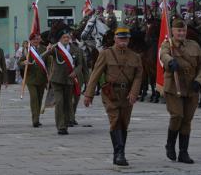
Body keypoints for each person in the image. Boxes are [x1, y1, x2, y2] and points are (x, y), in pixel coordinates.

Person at [84, 24, 143, 166]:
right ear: (115, 39)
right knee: (115, 120)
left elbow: (138, 76)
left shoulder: (135, 56)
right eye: (120, 38)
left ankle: (119, 153)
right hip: (110, 93)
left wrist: (134, 92)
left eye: (126, 39)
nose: (123, 41)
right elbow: (95, 74)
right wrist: (89, 94)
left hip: (127, 94)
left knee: (124, 122)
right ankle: (120, 154)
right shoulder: (106, 54)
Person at [160, 18, 201, 164]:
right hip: (174, 86)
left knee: (187, 120)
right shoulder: (168, 44)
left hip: (191, 87)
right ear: (172, 31)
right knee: (177, 115)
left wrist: (198, 81)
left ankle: (183, 152)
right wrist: (170, 61)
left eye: (184, 30)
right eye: (178, 31)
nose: (181, 33)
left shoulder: (194, 45)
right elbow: (163, 55)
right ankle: (170, 144)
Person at [46, 25, 81, 135]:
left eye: (67, 37)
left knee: (67, 103)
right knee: (59, 102)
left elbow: (79, 65)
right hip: (57, 80)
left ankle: (65, 124)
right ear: (60, 39)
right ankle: (60, 126)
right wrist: (48, 50)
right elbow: (46, 56)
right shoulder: (56, 48)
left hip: (69, 80)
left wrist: (75, 72)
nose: (66, 39)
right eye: (64, 37)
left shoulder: (76, 49)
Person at [19, 33, 48, 127]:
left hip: (42, 78)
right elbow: (19, 62)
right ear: (30, 41)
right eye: (33, 40)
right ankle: (34, 120)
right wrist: (24, 62)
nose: (35, 41)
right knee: (34, 98)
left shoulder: (44, 49)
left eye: (37, 39)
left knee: (39, 99)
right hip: (31, 79)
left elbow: (48, 62)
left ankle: (37, 118)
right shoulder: (27, 50)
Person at [70, 41, 88, 127]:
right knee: (68, 99)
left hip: (78, 79)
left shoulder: (79, 51)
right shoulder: (59, 49)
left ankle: (72, 116)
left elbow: (84, 66)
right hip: (66, 79)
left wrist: (87, 81)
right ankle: (68, 118)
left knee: (75, 100)